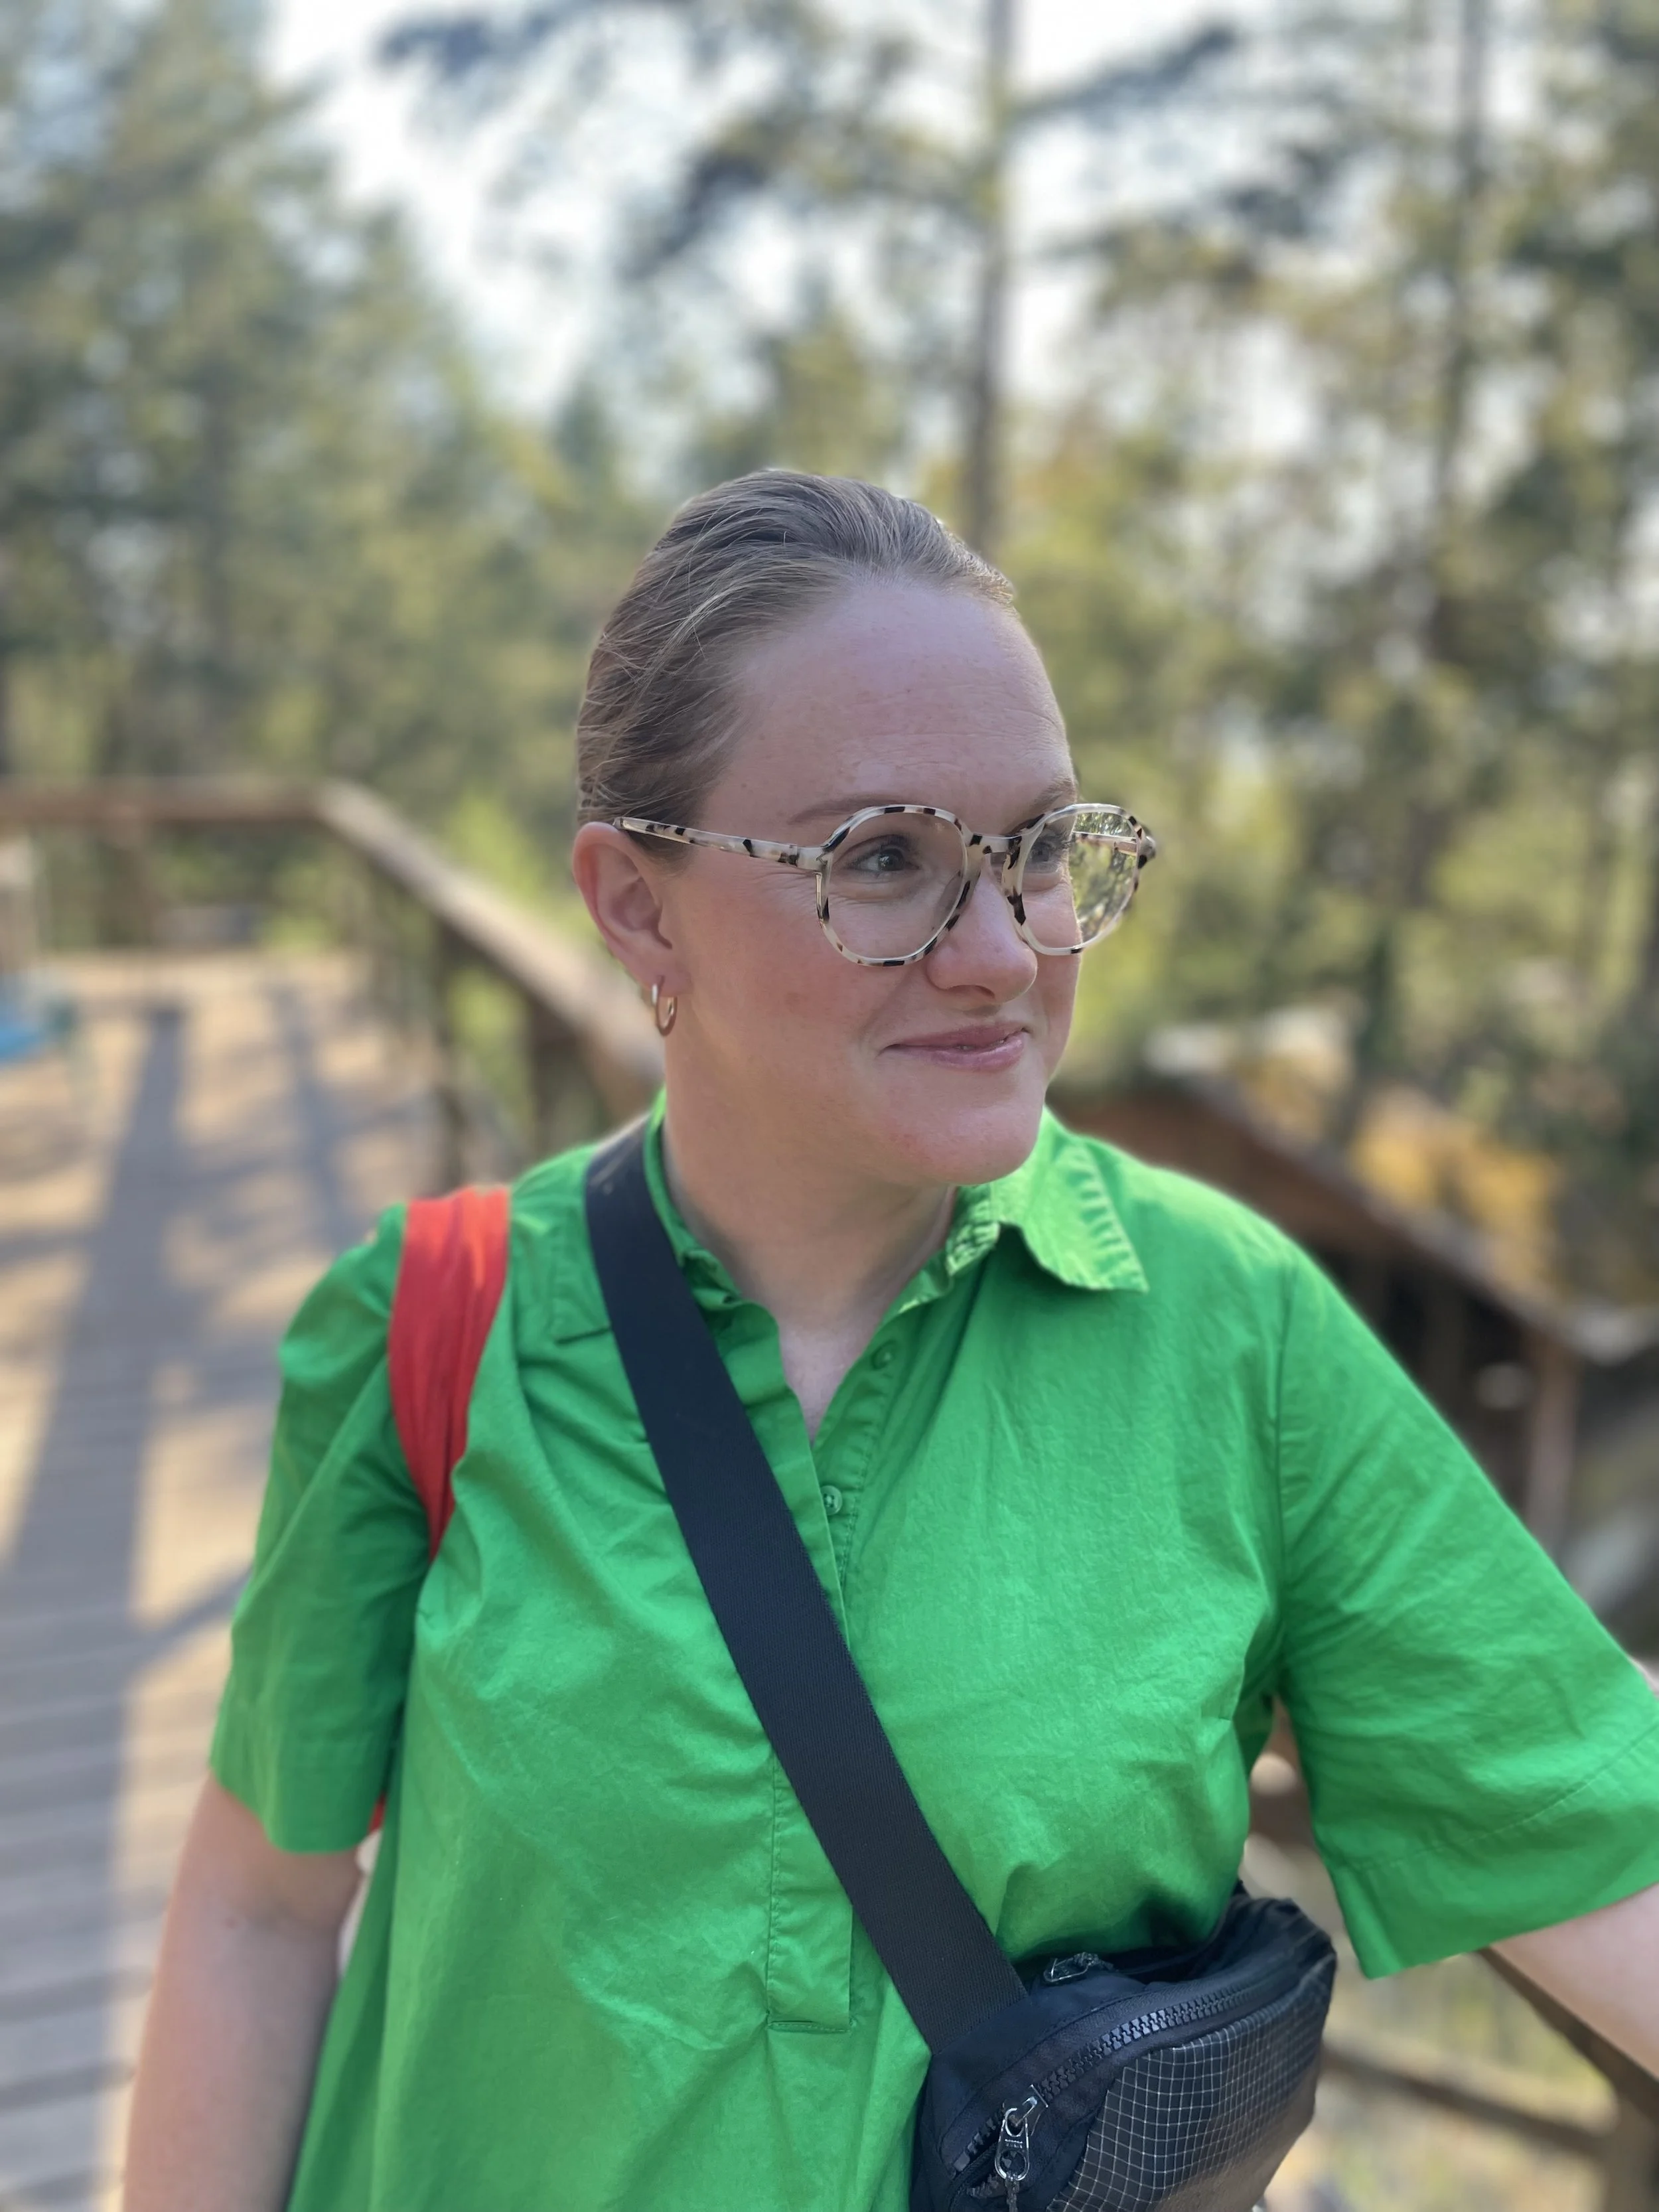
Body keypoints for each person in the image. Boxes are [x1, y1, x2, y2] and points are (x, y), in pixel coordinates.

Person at [125, 472, 1659, 2212]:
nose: (1001, 950)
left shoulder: (1234, 1332)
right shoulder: (431, 1326)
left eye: (1039, 851)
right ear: (635, 908)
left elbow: (1597, 1843)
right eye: (881, 860)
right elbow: (259, 1902)